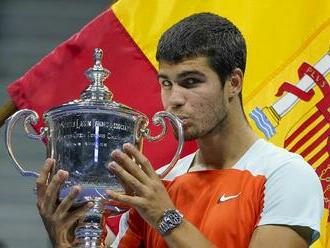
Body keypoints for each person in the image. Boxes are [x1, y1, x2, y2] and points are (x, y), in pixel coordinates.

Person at [36, 13, 324, 247]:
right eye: (166, 83)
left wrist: (165, 217)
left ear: (233, 83)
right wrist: (67, 238)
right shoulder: (157, 184)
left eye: (190, 82)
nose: (173, 99)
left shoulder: (286, 174)